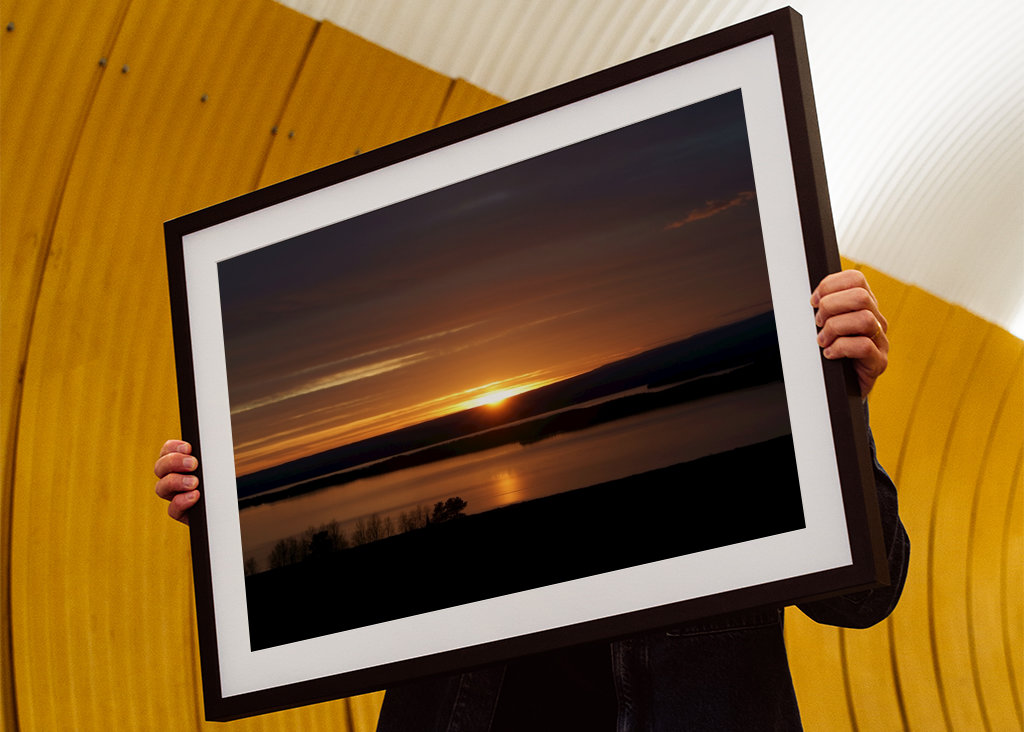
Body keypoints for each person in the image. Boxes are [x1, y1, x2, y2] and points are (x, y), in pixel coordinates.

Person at [155, 269, 909, 731]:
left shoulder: (746, 440)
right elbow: (337, 589)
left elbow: (865, 595)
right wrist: (236, 511)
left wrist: (838, 402)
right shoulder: (462, 506)